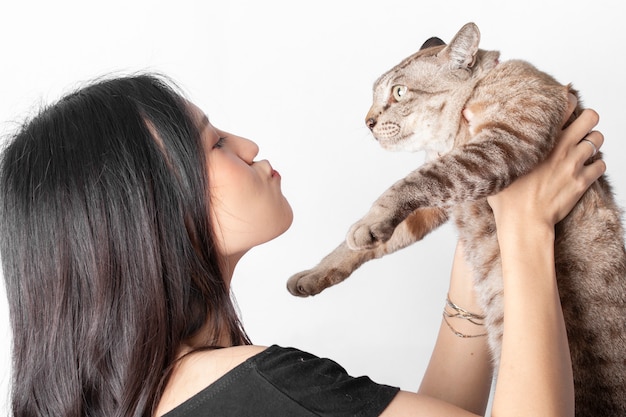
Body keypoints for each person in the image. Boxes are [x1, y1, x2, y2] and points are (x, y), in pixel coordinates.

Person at [0, 74, 605, 417]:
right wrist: (527, 229)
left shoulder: (173, 399)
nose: (248, 145)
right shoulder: (259, 388)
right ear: (146, 214)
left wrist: (482, 248)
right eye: (213, 144)